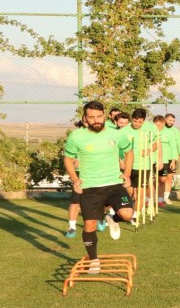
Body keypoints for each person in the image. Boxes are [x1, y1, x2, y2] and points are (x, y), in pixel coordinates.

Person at [63, 100, 134, 274]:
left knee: (127, 214)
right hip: (90, 188)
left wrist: (127, 174)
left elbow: (129, 152)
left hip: (114, 184)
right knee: (89, 226)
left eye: (99, 116)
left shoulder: (116, 134)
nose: (96, 120)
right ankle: (94, 260)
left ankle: (111, 219)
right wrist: (74, 179)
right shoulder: (76, 137)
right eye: (91, 117)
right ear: (85, 118)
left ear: (105, 116)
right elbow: (67, 159)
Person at [120, 108, 159, 224]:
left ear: (144, 120)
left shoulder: (151, 128)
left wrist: (149, 150)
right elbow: (117, 147)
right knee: (130, 192)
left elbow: (156, 144)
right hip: (128, 165)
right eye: (134, 121)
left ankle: (135, 215)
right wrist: (120, 160)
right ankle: (128, 210)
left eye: (139, 122)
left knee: (141, 193)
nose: (136, 124)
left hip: (143, 165)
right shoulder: (124, 131)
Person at [153, 115, 176, 207]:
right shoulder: (151, 132)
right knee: (150, 180)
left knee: (162, 180)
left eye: (159, 125)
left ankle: (160, 199)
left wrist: (173, 160)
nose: (157, 127)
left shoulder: (169, 133)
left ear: (163, 123)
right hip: (152, 159)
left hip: (164, 160)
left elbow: (173, 147)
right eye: (155, 125)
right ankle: (149, 198)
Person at [164, 113, 180, 204]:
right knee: (159, 179)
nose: (172, 122)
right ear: (165, 119)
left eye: (173, 121)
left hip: (172, 157)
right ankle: (157, 196)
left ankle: (166, 197)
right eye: (170, 120)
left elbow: (179, 143)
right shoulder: (160, 129)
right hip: (159, 158)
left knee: (169, 177)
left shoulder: (176, 131)